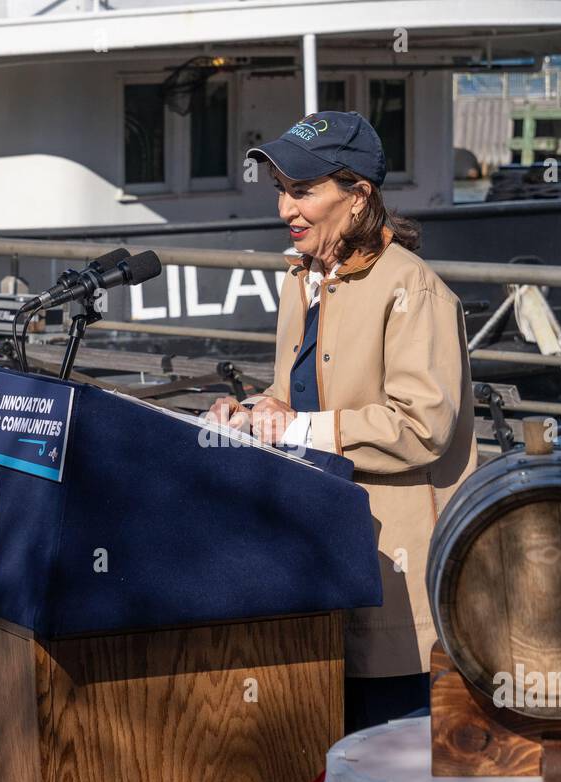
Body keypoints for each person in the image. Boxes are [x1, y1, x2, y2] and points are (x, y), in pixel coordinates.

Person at [205, 111, 478, 733]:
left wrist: (295, 429)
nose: (284, 208)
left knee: (395, 772)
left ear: (358, 197)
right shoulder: (303, 279)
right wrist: (250, 413)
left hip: (399, 590)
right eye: (281, 189)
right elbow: (294, 393)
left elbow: (421, 427)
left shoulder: (416, 289)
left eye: (302, 190)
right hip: (323, 564)